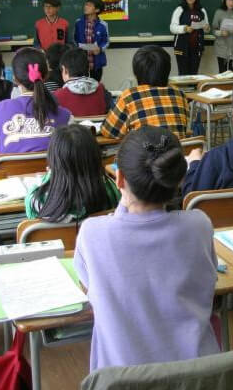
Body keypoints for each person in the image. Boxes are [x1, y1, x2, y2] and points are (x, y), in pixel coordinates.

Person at [74, 125, 219, 370]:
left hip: (122, 383)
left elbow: (88, 288)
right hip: (197, 379)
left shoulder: (92, 233)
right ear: (177, 179)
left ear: (119, 178)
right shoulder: (199, 224)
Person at [0, 47, 72, 153]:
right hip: (51, 169)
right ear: (46, 75)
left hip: (9, 169)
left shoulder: (0, 110)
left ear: (14, 79)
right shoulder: (66, 116)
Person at [25, 125, 120, 223]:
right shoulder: (112, 192)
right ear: (95, 157)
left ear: (53, 159)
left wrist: (51, 173)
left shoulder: (36, 199)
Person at [102, 45, 188, 139]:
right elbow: (183, 128)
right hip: (177, 152)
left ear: (135, 73)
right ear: (168, 70)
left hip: (145, 153)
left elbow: (109, 131)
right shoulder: (180, 95)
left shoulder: (129, 96)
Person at [53, 48, 112, 116]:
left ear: (65, 70)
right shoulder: (102, 91)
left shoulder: (57, 96)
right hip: (96, 126)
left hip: (71, 126)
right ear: (88, 69)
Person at [170, 0, 210, 75]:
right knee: (183, 74)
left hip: (197, 48)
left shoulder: (202, 10)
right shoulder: (180, 9)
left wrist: (207, 28)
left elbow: (206, 28)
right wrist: (184, 28)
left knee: (194, 74)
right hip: (182, 47)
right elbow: (172, 28)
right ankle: (183, 90)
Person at [74, 0, 109, 83]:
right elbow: (74, 39)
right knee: (82, 84)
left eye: (89, 5)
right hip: (82, 61)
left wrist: (100, 49)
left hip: (96, 62)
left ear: (97, 10)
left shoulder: (103, 24)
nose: (86, 7)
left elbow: (106, 41)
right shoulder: (78, 22)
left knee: (95, 85)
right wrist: (78, 48)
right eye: (86, 4)